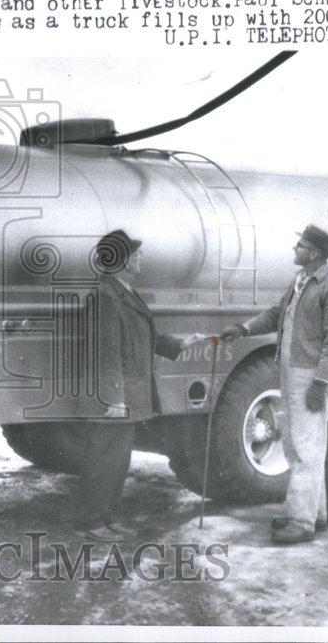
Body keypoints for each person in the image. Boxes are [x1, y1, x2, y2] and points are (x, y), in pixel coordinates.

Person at [221, 224, 328, 544]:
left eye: (301, 245)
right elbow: (276, 314)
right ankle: (313, 514)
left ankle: (300, 521)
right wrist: (243, 328)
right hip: (294, 373)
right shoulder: (300, 282)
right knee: (298, 446)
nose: (295, 249)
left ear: (315, 253)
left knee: (306, 448)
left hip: (312, 376)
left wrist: (319, 383)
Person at [72, 229, 201, 542]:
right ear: (121, 261)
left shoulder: (122, 291)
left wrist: (177, 344)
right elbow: (106, 353)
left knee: (117, 461)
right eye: (135, 252)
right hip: (113, 399)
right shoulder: (105, 296)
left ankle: (106, 518)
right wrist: (113, 398)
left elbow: (139, 338)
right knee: (104, 461)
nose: (140, 257)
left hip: (126, 398)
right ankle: (90, 522)